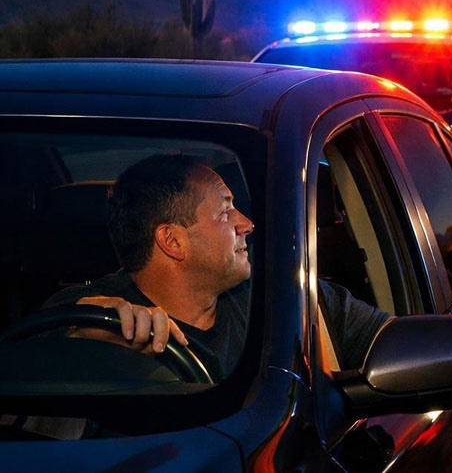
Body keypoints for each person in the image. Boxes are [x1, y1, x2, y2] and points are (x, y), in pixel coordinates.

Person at [45, 153, 388, 380]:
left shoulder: (288, 300)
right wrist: (80, 330)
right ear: (172, 241)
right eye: (226, 212)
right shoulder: (95, 317)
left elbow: (397, 345)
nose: (247, 224)